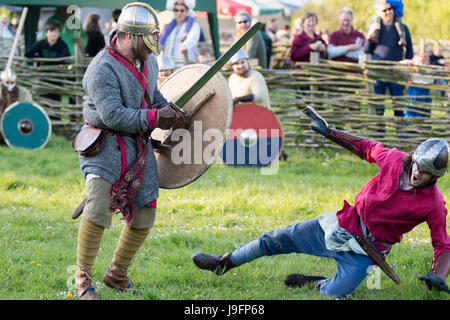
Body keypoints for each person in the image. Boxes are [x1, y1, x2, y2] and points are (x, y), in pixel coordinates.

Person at [193, 107, 450, 299]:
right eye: (419, 167)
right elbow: (366, 147)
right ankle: (224, 262)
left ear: (435, 176)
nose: (419, 174)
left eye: (427, 174)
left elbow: (443, 244)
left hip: (366, 251)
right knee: (274, 238)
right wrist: (330, 133)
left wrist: (437, 275)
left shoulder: (434, 204)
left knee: (334, 294)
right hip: (343, 224)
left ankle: (317, 282)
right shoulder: (395, 159)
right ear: (414, 158)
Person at [74, 2, 190, 300]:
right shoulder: (101, 69)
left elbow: (153, 95)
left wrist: (171, 112)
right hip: (105, 144)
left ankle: (117, 272)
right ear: (128, 36)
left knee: (145, 212)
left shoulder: (147, 61)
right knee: (98, 207)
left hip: (137, 144)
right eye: (146, 41)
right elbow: (113, 115)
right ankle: (83, 280)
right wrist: (155, 118)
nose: (151, 50)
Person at [365, 0, 413, 117]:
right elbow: (367, 50)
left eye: (390, 9)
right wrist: (369, 36)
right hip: (378, 73)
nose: (388, 12)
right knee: (378, 109)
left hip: (396, 73)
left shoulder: (403, 28)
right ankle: (379, 134)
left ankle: (401, 134)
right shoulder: (375, 28)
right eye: (384, 10)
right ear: (379, 12)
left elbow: (410, 52)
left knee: (399, 108)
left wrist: (405, 64)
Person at [25, 21, 71, 104]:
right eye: (51, 31)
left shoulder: (62, 44)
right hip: (44, 77)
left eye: (56, 31)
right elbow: (27, 53)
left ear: (59, 33)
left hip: (57, 77)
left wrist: (47, 62)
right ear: (46, 33)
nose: (53, 34)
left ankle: (56, 117)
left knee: (56, 100)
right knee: (43, 99)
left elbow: (66, 55)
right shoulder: (41, 44)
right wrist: (40, 59)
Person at [159, 0, 202, 67]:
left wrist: (185, 46)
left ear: (187, 12)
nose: (179, 13)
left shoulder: (194, 26)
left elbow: (193, 40)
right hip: (170, 65)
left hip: (185, 64)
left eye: (182, 11)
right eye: (176, 10)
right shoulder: (170, 27)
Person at [0, 68, 33, 144]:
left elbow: (28, 110)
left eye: (12, 82)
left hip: (18, 124)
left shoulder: (23, 93)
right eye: (7, 82)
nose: (10, 85)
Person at [405, 53, 433, 118]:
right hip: (414, 98)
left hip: (424, 98)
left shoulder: (428, 73)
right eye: (419, 62)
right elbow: (400, 65)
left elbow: (430, 80)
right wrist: (409, 62)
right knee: (411, 114)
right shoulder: (411, 72)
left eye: (423, 62)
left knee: (424, 115)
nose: (420, 64)